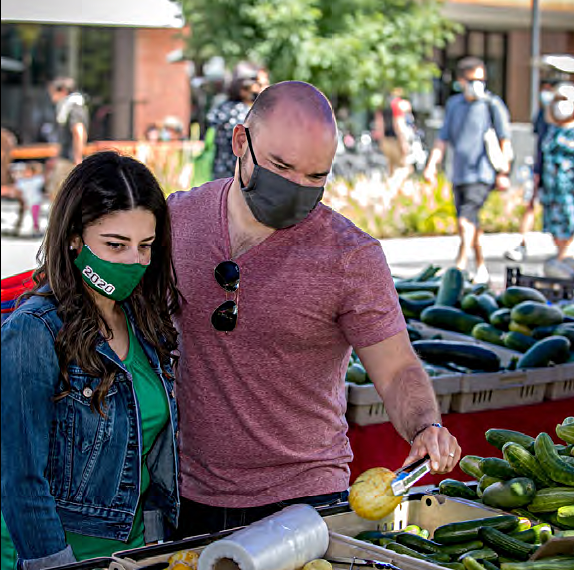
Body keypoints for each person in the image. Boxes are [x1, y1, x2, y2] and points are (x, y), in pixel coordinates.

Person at [167, 80, 461, 537]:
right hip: (190, 494)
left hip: (307, 497)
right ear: (241, 142)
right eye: (281, 167)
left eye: (315, 177)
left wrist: (424, 425)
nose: (296, 188)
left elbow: (397, 366)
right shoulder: (177, 221)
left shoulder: (350, 255)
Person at [1, 151, 181, 569]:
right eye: (115, 245)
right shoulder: (33, 331)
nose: (133, 261)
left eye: (146, 246)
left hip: (133, 555)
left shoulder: (145, 320)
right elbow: (20, 480)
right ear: (73, 238)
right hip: (53, 559)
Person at [424, 57, 513, 284]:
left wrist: (504, 172)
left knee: (466, 219)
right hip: (459, 173)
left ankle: (460, 266)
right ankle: (481, 266)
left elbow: (505, 140)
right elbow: (442, 140)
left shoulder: (492, 105)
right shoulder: (454, 105)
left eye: (481, 80)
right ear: (461, 80)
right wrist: (432, 165)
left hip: (482, 173)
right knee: (470, 222)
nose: (478, 84)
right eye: (473, 79)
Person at [505, 79, 557, 263]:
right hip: (541, 166)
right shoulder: (543, 114)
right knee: (530, 203)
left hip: (562, 173)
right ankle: (521, 242)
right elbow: (538, 141)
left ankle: (563, 252)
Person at [207, 61, 268, 180]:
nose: (265, 88)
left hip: (221, 181)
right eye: (260, 84)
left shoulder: (224, 108)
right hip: (238, 184)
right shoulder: (243, 114)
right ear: (246, 86)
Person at [537, 82, 574, 278]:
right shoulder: (550, 129)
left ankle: (565, 259)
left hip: (569, 190)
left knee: (569, 223)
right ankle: (561, 259)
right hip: (552, 190)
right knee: (554, 225)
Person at [45, 77, 89, 200]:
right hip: (66, 158)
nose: (51, 96)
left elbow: (78, 132)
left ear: (63, 91)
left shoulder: (73, 107)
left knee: (58, 197)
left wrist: (77, 158)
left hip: (69, 160)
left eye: (53, 92)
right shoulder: (68, 108)